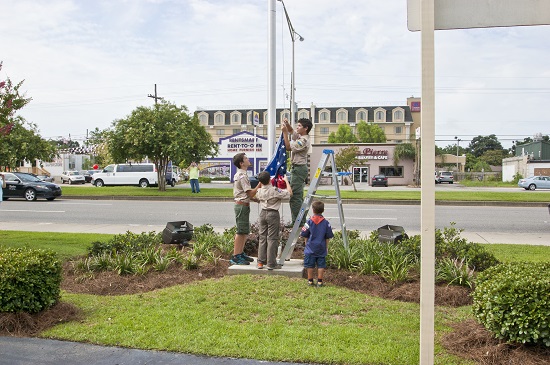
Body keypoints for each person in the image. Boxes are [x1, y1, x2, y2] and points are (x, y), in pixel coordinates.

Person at [255, 170, 292, 270]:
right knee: (272, 238)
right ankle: (271, 263)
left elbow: (256, 195)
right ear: (270, 180)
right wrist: (286, 181)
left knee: (262, 237)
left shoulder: (259, 191)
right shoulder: (275, 190)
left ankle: (260, 262)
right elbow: (289, 193)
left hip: (262, 213)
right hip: (273, 213)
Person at [281, 117, 313, 227]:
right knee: (297, 196)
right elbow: (291, 131)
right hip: (296, 168)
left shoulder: (303, 140)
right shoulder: (300, 136)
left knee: (294, 196)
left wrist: (284, 133)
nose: (297, 127)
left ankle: (298, 222)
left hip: (299, 169)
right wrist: (287, 124)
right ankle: (300, 220)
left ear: (305, 128)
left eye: (299, 126)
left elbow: (288, 147)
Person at [231, 153, 261, 265]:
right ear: (241, 163)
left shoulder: (242, 174)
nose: (248, 159)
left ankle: (240, 253)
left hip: (244, 204)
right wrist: (260, 184)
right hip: (241, 206)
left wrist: (256, 199)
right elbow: (249, 192)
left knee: (244, 231)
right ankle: (235, 256)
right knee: (240, 231)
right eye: (246, 158)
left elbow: (246, 194)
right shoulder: (242, 176)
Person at [300, 200, 334, 287]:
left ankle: (310, 281)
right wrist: (326, 247)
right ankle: (319, 281)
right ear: (323, 210)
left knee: (310, 265)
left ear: (313, 210)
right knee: (321, 265)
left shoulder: (309, 222)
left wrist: (306, 244)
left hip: (310, 247)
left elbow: (304, 234)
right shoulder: (326, 223)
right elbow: (328, 236)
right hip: (321, 247)